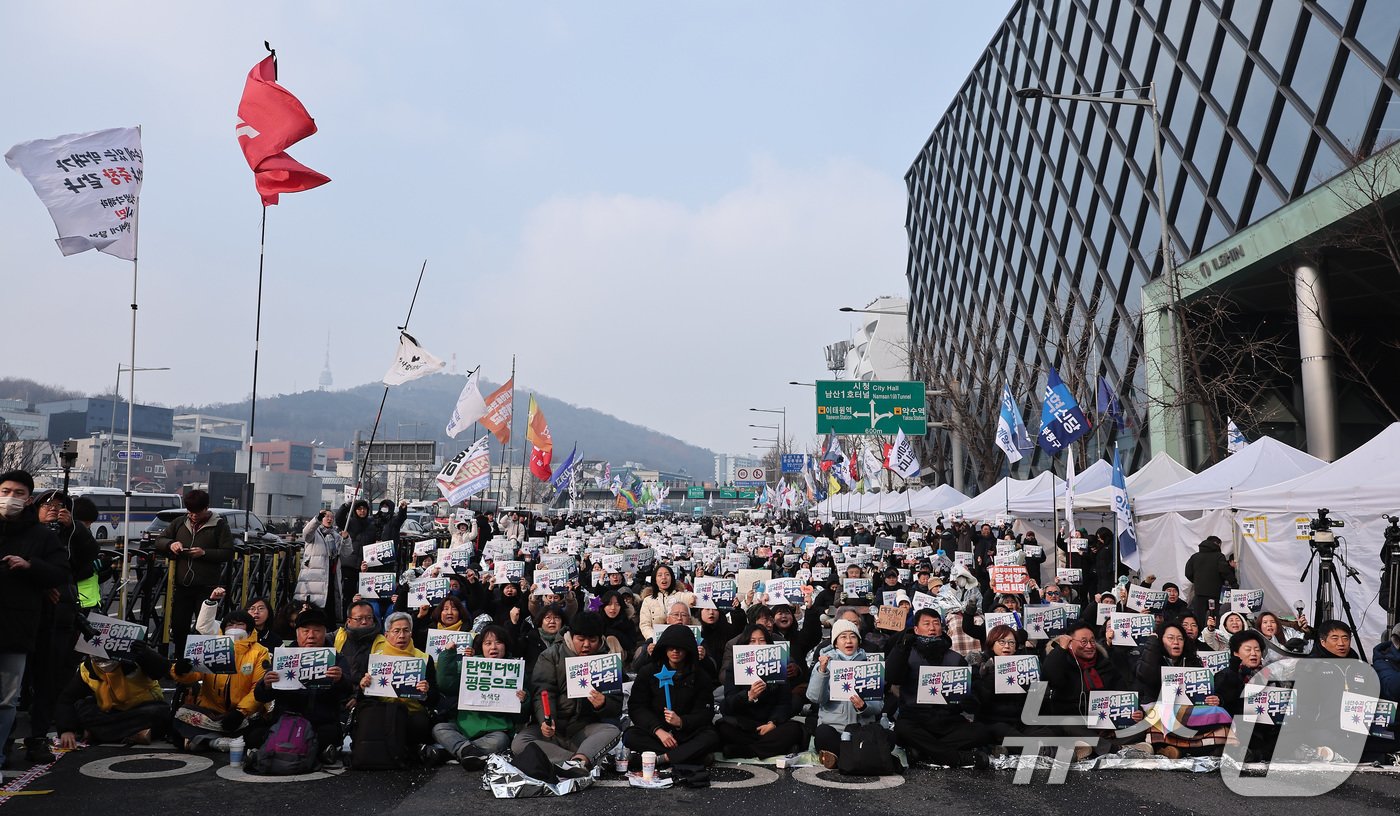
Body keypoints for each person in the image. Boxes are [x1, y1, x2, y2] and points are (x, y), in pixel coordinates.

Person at [0, 469, 68, 768]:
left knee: (7, 699)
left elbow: (61, 572)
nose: (10, 499)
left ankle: (6, 751)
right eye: (4, 492)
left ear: (28, 499)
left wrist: (30, 567)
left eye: (18, 493)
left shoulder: (42, 537)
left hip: (21, 627)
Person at [27, 489, 95, 762]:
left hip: (63, 611)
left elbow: (86, 563)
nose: (54, 510)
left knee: (54, 672)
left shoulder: (71, 534)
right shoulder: (26, 532)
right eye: (49, 505)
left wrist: (74, 528)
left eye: (60, 506)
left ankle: (42, 732)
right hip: (24, 613)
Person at [512, 611, 622, 770]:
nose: (586, 645)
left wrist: (603, 703)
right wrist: (545, 720)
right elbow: (543, 691)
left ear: (600, 640)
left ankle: (578, 758)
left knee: (612, 731)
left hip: (583, 730)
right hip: (553, 732)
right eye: (581, 639)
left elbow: (616, 704)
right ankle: (575, 761)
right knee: (519, 743)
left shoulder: (607, 661)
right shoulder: (551, 656)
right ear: (571, 636)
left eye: (592, 640)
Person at [887, 608, 994, 768]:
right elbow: (892, 677)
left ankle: (924, 753)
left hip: (948, 721)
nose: (932, 628)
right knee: (902, 730)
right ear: (916, 629)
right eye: (927, 624)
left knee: (982, 732)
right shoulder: (906, 654)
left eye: (936, 623)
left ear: (942, 628)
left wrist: (967, 700)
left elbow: (970, 696)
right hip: (916, 720)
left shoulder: (955, 658)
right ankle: (958, 758)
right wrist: (901, 647)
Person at [249, 605, 352, 766]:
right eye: (305, 631)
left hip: (321, 722)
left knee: (329, 734)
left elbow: (347, 692)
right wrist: (266, 684)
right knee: (254, 734)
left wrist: (340, 680)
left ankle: (275, 752)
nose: (311, 636)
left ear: (325, 632)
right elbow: (260, 696)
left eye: (316, 630)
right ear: (297, 634)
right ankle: (316, 753)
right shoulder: (284, 658)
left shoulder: (336, 659)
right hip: (286, 721)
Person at [624, 624, 720, 772]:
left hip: (687, 733)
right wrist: (658, 730)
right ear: (663, 648)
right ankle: (690, 755)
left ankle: (662, 759)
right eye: (670, 647)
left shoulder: (700, 676)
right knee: (630, 736)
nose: (675, 651)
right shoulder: (648, 672)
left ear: (688, 649)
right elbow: (637, 707)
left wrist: (682, 722)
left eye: (680, 647)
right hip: (657, 733)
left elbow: (705, 713)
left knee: (711, 737)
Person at [430, 623, 527, 769]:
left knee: (500, 740)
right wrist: (447, 654)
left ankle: (451, 752)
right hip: (463, 728)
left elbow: (521, 717)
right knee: (439, 728)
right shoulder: (470, 665)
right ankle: (468, 752)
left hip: (495, 731)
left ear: (505, 646)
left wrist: (524, 700)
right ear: (481, 647)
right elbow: (445, 684)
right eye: (488, 643)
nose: (493, 647)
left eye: (498, 642)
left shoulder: (515, 669)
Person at [171, 609, 270, 750]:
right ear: (223, 628)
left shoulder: (259, 652)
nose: (235, 629)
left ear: (249, 628)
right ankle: (217, 742)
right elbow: (194, 675)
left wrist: (241, 712)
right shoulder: (211, 647)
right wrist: (181, 670)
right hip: (211, 714)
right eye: (230, 625)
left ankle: (206, 740)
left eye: (240, 624)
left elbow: (258, 687)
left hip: (242, 716)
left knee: (258, 731)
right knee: (181, 715)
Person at [1040, 621, 1142, 758]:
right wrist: (1061, 648)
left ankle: (1092, 747)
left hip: (1104, 723)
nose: (1089, 646)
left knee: (1141, 726)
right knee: (1069, 724)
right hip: (1074, 721)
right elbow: (1050, 676)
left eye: (1092, 641)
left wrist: (1137, 711)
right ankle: (1118, 749)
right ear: (1070, 642)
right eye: (1083, 642)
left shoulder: (1104, 664)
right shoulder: (1062, 662)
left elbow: (1123, 691)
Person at [154, 489, 235, 656]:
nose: (193, 516)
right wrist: (171, 544)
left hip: (206, 586)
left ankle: (203, 662)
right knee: (179, 625)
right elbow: (159, 540)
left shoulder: (219, 525)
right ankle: (180, 660)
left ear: (206, 508)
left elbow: (228, 552)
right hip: (182, 585)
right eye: (190, 512)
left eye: (197, 512)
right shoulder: (179, 522)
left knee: (205, 626)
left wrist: (204, 553)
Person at [54, 640, 172, 749]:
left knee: (161, 713)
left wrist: (145, 653)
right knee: (82, 708)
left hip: (141, 709)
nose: (104, 663)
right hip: (110, 712)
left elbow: (163, 670)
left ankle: (97, 733)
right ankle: (134, 734)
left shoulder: (134, 658)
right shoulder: (86, 669)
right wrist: (66, 730)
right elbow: (67, 699)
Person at [716, 624, 806, 758]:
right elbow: (729, 703)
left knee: (795, 730)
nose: (757, 644)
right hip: (744, 724)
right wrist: (748, 696)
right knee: (722, 727)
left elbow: (784, 702)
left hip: (770, 724)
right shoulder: (734, 667)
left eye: (762, 640)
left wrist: (773, 723)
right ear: (745, 644)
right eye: (752, 641)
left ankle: (748, 751)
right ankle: (774, 748)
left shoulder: (778, 664)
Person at [806, 619, 884, 769]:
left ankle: (842, 758)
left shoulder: (870, 666)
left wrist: (864, 707)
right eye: (843, 637)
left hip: (861, 731)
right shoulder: (824, 664)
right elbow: (815, 698)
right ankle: (860, 757)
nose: (849, 641)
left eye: (853, 636)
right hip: (835, 731)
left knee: (887, 736)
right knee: (822, 733)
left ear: (859, 641)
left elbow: (879, 706)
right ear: (835, 642)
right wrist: (822, 672)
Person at [358, 611, 436, 755]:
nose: (401, 636)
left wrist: (426, 691)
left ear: (411, 633)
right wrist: (363, 687)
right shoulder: (375, 660)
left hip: (413, 712)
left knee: (420, 723)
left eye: (406, 631)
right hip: (383, 710)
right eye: (396, 631)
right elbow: (365, 698)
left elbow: (434, 697)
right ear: (386, 634)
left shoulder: (424, 659)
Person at [299, 510, 341, 614]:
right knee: (313, 605)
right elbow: (306, 533)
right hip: (314, 575)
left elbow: (346, 552)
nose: (329, 519)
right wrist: (316, 520)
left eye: (331, 517)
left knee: (329, 602)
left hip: (331, 573)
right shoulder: (314, 533)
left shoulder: (336, 535)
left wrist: (347, 539)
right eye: (326, 516)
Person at [1184, 536, 1235, 622]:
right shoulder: (1219, 556)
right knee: (1215, 618)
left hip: (1199, 594)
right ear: (1216, 544)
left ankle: (1199, 634)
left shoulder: (1195, 557)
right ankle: (1214, 634)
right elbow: (1225, 572)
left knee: (1199, 618)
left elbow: (1188, 573)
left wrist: (1197, 581)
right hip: (1215, 594)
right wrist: (1234, 583)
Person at [638, 565, 693, 641]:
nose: (664, 577)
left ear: (672, 578)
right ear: (655, 579)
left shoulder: (680, 595)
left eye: (667, 574)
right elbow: (645, 625)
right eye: (659, 575)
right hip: (655, 640)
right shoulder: (648, 600)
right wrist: (653, 638)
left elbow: (690, 597)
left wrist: (693, 599)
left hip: (680, 638)